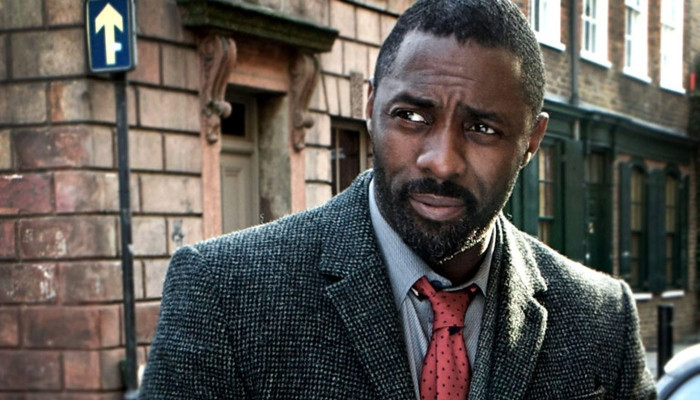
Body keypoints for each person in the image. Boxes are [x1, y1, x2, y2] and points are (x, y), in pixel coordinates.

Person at [139, 0, 657, 399]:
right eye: (411, 116)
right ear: (370, 106)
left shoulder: (601, 319)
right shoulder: (223, 292)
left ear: (532, 141)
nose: (441, 161)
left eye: (482, 128)